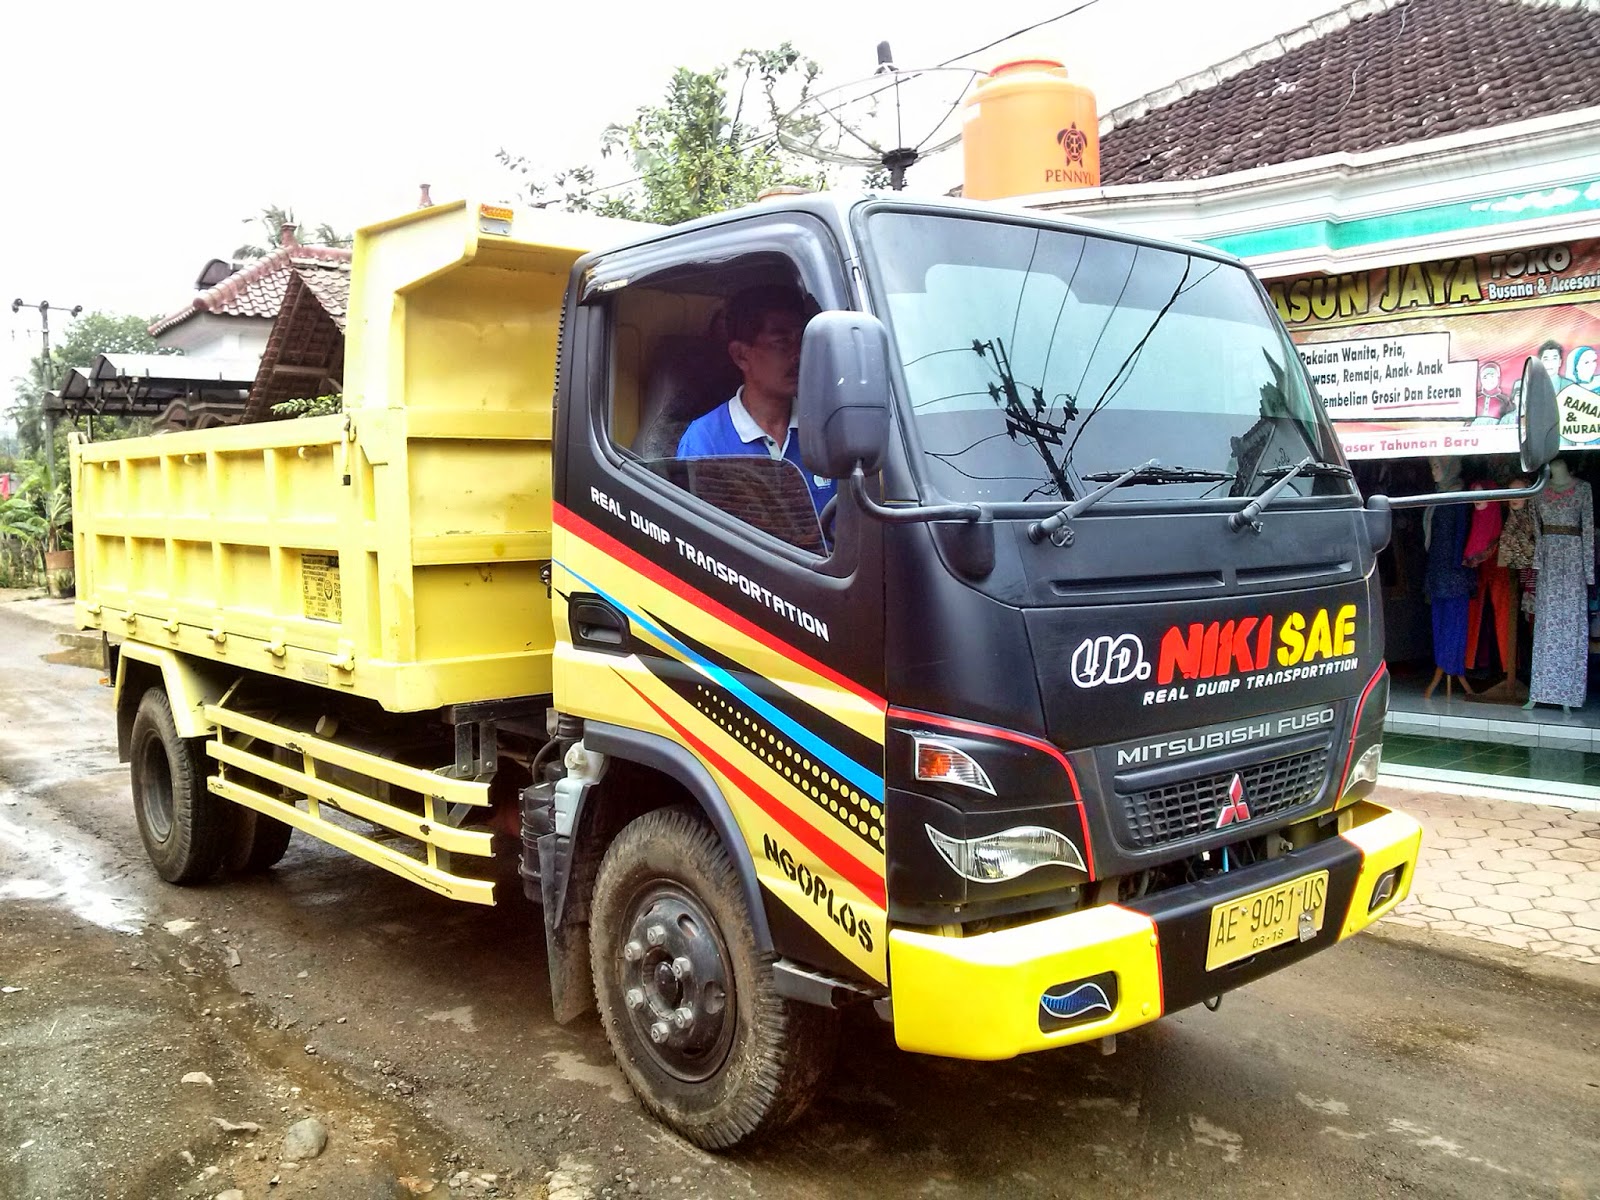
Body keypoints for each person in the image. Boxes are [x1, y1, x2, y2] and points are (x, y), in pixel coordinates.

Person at [676, 284, 836, 516]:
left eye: (801, 340)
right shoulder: (704, 441)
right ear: (741, 355)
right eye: (782, 342)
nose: (798, 354)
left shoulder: (827, 432)